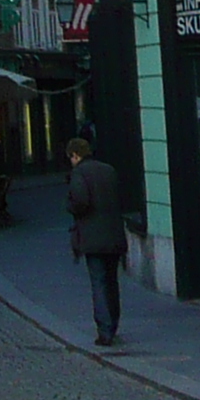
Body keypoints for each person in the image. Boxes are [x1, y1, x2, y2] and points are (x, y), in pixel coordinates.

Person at [66, 134, 126, 346]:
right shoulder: (108, 170)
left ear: (75, 155)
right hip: (114, 234)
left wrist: (71, 207)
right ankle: (114, 323)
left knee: (98, 282)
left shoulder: (79, 173)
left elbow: (80, 201)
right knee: (112, 281)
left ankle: (104, 330)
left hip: (92, 236)